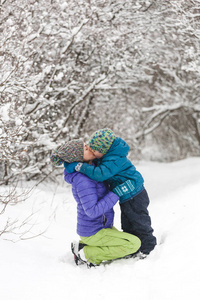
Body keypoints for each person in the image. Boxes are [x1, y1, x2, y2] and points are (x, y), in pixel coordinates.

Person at [64, 129, 157, 256]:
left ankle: (148, 246)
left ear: (103, 150)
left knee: (139, 220)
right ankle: (134, 248)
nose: (91, 151)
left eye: (93, 149)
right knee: (128, 222)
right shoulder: (92, 170)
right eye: (87, 148)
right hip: (125, 196)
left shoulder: (113, 159)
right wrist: (71, 165)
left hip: (134, 193)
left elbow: (100, 173)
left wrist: (79, 166)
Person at [50, 139, 141, 267]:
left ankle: (84, 247)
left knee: (129, 240)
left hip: (102, 227)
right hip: (94, 231)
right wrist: (116, 193)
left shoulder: (92, 170)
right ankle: (86, 253)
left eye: (87, 145)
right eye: (86, 149)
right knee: (133, 244)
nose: (90, 148)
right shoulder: (83, 180)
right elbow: (92, 211)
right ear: (79, 159)